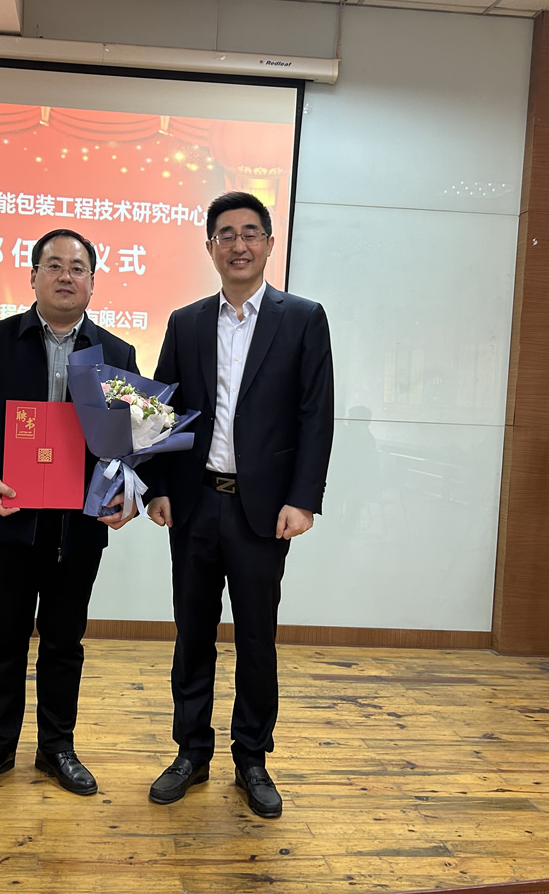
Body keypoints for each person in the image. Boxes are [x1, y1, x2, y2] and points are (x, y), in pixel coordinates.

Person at [144, 192, 334, 818]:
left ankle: (252, 757)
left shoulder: (302, 318)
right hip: (195, 504)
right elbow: (163, 412)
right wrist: (159, 487)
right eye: (225, 234)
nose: (239, 244)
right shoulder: (186, 323)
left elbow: (315, 416)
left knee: (256, 637)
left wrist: (303, 500)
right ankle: (191, 752)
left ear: (270, 244)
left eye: (251, 233)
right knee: (192, 634)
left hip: (263, 511)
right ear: (210, 248)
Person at [0, 228, 138, 798]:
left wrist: (126, 490)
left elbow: (131, 440)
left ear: (93, 282)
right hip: (9, 517)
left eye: (78, 267)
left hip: (78, 526)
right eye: (54, 265)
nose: (65, 276)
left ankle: (57, 747)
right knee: (3, 638)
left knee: (64, 641)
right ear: (32, 277)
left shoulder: (115, 355)